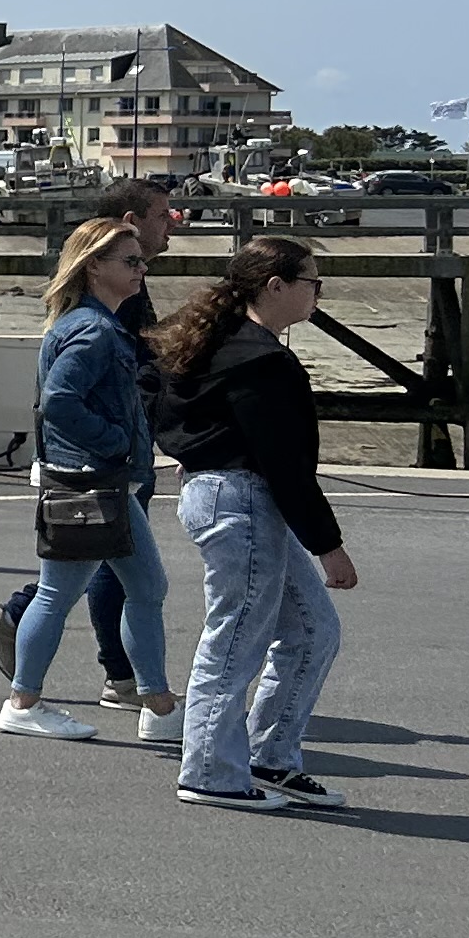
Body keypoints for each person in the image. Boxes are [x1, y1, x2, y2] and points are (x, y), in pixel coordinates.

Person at [154, 236, 357, 811]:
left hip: (224, 494)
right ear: (276, 286)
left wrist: (191, 447)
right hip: (238, 500)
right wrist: (329, 546)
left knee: (313, 630)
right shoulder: (262, 359)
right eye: (311, 281)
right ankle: (210, 773)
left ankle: (270, 756)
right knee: (236, 638)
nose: (317, 293)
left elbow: (155, 392)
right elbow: (285, 463)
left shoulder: (213, 340)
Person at [0, 177, 183, 703]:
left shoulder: (92, 319)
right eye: (131, 261)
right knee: (76, 590)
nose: (141, 269)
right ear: (97, 264)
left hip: (96, 473)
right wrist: (117, 442)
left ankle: (147, 695)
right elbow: (61, 400)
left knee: (128, 586)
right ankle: (71, 692)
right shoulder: (96, 327)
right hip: (96, 477)